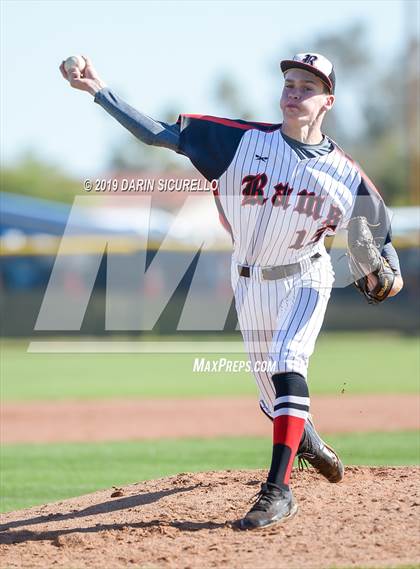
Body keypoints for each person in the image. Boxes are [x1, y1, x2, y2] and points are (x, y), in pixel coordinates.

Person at [60, 53, 403, 530]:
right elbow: (158, 133)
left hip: (306, 276)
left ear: (328, 101)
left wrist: (385, 279)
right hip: (247, 281)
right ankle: (307, 440)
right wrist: (101, 91)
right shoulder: (241, 143)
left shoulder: (348, 177)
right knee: (271, 398)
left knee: (287, 364)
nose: (294, 92)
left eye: (307, 85)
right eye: (289, 82)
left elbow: (388, 258)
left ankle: (278, 490)